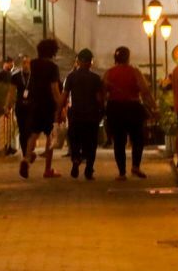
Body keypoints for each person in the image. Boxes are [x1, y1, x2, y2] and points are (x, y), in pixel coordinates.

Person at [103, 46, 152, 179]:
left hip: (115, 108)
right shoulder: (135, 71)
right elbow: (145, 90)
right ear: (128, 57)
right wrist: (153, 106)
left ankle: (122, 172)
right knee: (137, 138)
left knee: (119, 140)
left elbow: (103, 92)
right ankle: (135, 166)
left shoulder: (109, 72)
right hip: (133, 107)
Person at [20, 39, 65, 179]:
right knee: (50, 137)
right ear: (53, 52)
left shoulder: (32, 64)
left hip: (34, 103)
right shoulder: (52, 67)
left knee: (33, 134)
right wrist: (61, 106)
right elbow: (54, 89)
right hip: (49, 105)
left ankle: (26, 160)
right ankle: (47, 169)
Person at [63, 48, 105, 180]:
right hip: (91, 116)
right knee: (91, 143)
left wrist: (59, 111)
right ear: (91, 62)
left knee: (74, 139)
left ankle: (75, 159)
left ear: (78, 61)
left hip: (75, 114)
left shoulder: (71, 77)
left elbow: (64, 96)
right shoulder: (95, 78)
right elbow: (99, 98)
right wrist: (102, 110)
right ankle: (89, 169)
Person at [9, 55, 33, 157]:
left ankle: (29, 150)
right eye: (24, 63)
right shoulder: (16, 76)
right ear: (21, 64)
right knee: (23, 131)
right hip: (20, 107)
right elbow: (11, 92)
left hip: (32, 107)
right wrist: (8, 105)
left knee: (30, 130)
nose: (26, 65)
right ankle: (25, 153)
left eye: (28, 63)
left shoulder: (35, 76)